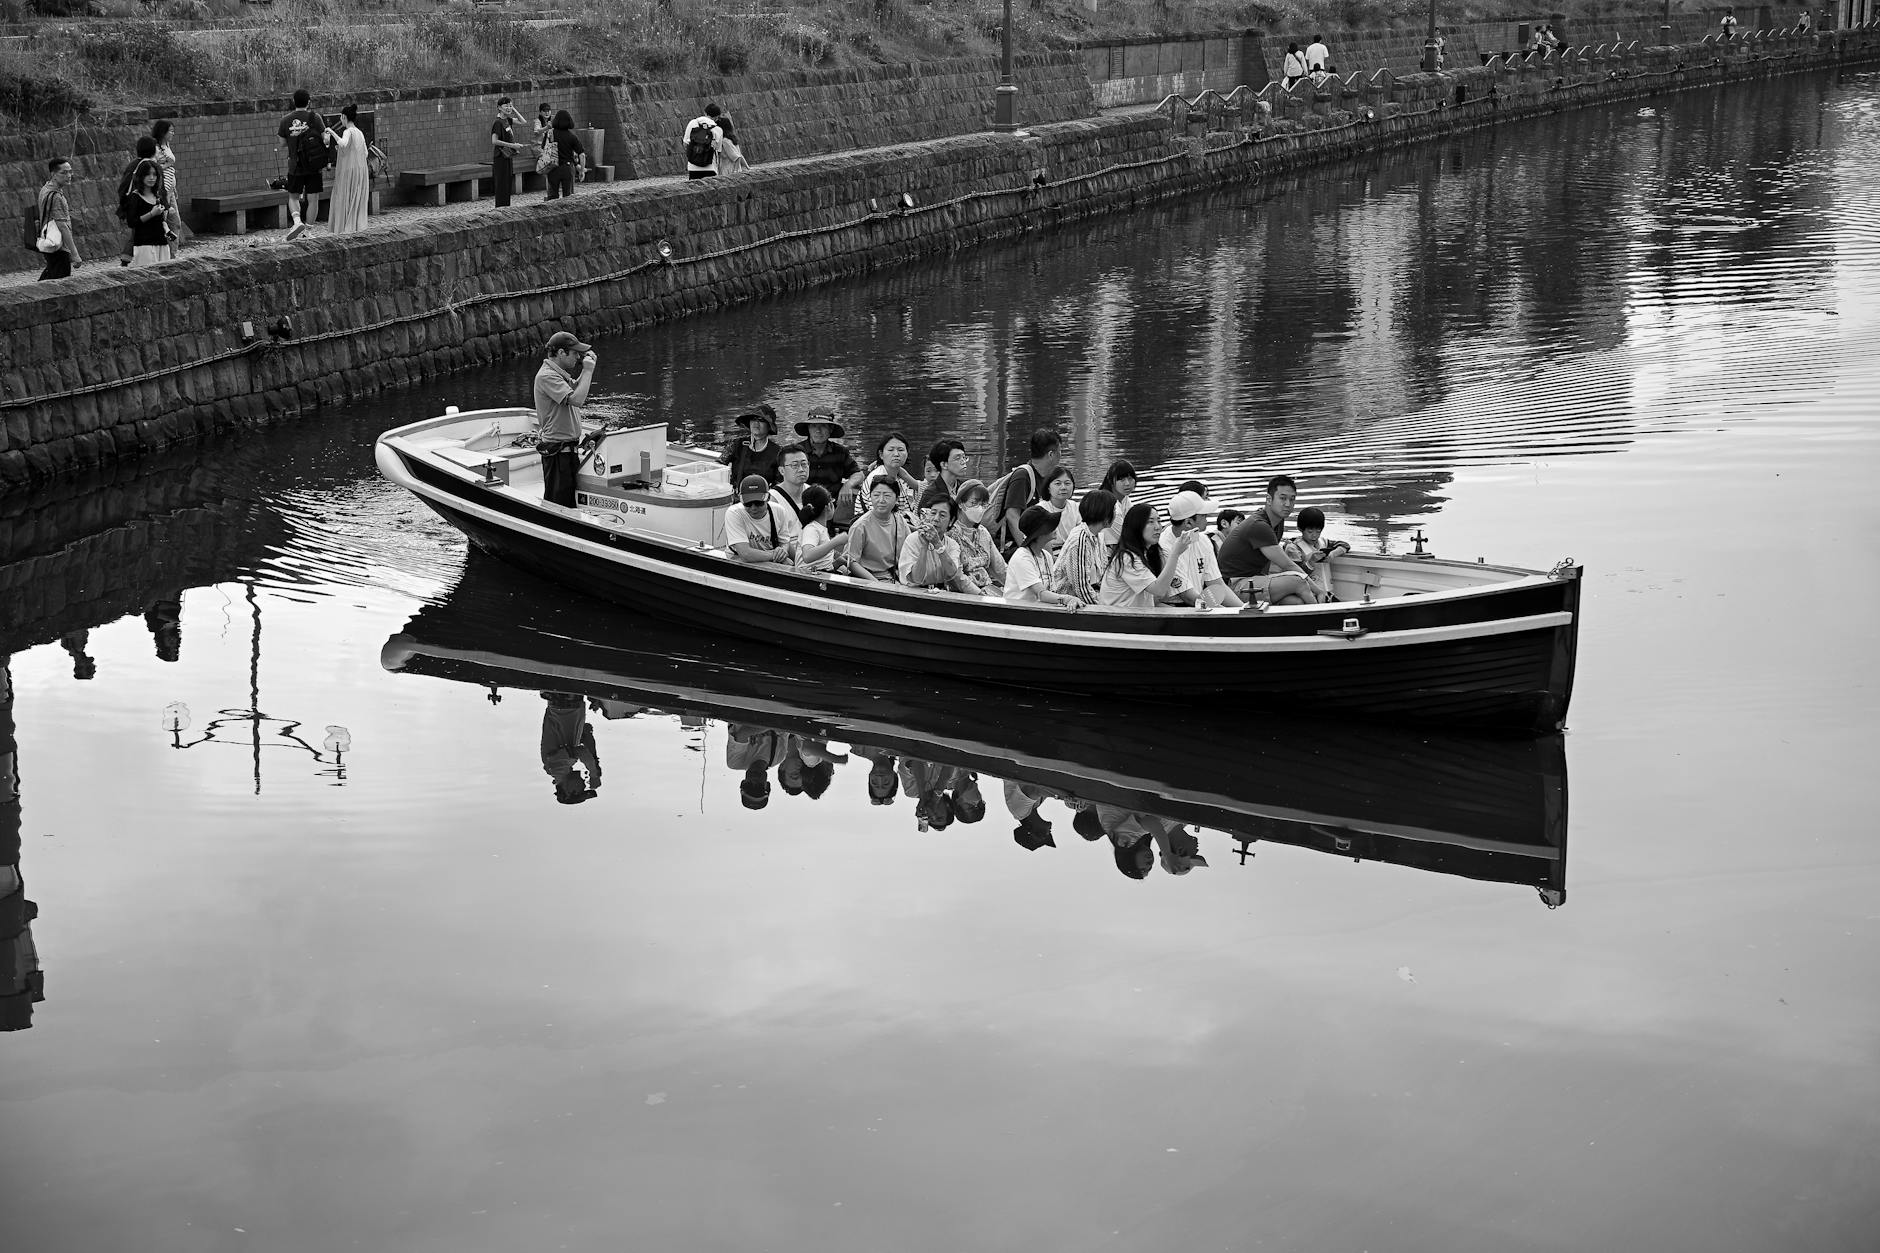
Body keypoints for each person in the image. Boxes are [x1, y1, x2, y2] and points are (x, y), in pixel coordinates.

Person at [1217, 475, 1318, 605]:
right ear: (1269, 499)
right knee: (1298, 581)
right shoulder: (1259, 525)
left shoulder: (1277, 522)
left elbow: (1267, 562)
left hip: (1253, 580)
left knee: (1295, 602)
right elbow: (1288, 565)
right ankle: (1324, 616)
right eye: (1282, 498)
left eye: (1292, 499)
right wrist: (1319, 591)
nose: (1288, 504)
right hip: (1232, 587)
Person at [532, 330, 597, 508]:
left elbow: (576, 388)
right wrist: (588, 370)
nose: (578, 356)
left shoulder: (558, 374)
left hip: (567, 451)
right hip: (557, 453)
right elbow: (577, 399)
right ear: (561, 353)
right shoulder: (547, 376)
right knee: (558, 505)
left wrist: (587, 369)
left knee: (569, 500)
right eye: (575, 353)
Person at [1099, 502, 1197, 610]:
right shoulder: (1127, 558)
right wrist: (1175, 554)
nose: (1157, 527)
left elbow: (1155, 601)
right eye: (1150, 522)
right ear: (1136, 526)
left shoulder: (1150, 554)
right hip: (1118, 620)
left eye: (1159, 521)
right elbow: (1159, 590)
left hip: (1139, 617)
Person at [1161, 490, 1245, 609]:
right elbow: (1188, 597)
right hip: (1176, 608)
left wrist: (1242, 609)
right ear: (1188, 522)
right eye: (1203, 516)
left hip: (1199, 604)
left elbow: (1217, 584)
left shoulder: (1203, 540)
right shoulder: (1164, 547)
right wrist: (1223, 611)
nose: (1207, 518)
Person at [994, 428, 1061, 552]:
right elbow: (1012, 516)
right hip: (1011, 547)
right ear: (1051, 454)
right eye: (1059, 451)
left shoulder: (1044, 479)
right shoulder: (1023, 477)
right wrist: (1029, 551)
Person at [277, 88, 332, 240]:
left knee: (293, 197)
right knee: (313, 198)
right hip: (314, 166)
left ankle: (296, 221)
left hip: (295, 165)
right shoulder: (315, 118)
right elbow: (325, 139)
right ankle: (307, 231)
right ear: (309, 102)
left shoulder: (285, 120)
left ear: (294, 102)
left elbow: (281, 143)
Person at [899, 493, 980, 593]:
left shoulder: (952, 545)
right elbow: (916, 579)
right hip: (913, 594)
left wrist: (937, 544)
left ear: (951, 521)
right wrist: (924, 547)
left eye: (942, 515)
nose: (936, 519)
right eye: (933, 513)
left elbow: (952, 574)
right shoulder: (912, 540)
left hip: (941, 594)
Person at [1005, 505, 1083, 607]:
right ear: (1040, 533)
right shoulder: (1022, 558)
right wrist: (1067, 599)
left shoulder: (1046, 556)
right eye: (1050, 526)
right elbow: (1041, 594)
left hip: (1040, 609)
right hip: (1018, 612)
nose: (1055, 528)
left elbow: (1051, 589)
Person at [1050, 488, 1117, 605]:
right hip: (1070, 601)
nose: (1116, 514)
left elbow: (1101, 576)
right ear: (1105, 515)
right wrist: (1105, 607)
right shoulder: (1080, 540)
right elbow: (1081, 589)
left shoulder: (1098, 536)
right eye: (1114, 510)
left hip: (1091, 594)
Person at [794, 409, 863, 513]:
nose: (818, 430)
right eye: (813, 426)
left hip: (833, 505)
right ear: (808, 429)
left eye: (823, 426)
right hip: (802, 505)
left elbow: (859, 474)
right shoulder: (796, 452)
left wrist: (848, 485)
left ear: (830, 429)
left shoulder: (840, 451)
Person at [540, 691, 601, 805]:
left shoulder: (557, 770)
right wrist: (595, 763)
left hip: (563, 702)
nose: (584, 782)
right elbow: (586, 732)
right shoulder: (566, 765)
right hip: (569, 704)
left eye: (581, 789)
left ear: (569, 791)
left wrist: (593, 774)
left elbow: (580, 751)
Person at [845, 479, 912, 581]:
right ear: (870, 497)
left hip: (897, 576)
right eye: (876, 495)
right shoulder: (860, 526)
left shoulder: (899, 520)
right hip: (871, 579)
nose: (881, 500)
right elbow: (852, 562)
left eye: (887, 496)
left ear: (897, 499)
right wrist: (876, 584)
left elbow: (909, 550)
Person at [727, 473, 800, 566]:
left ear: (768, 498)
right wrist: (774, 555)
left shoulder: (779, 511)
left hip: (769, 560)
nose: (753, 508)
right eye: (748, 504)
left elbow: (785, 543)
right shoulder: (734, 512)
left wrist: (782, 552)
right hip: (739, 561)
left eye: (758, 503)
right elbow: (745, 554)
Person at [950, 480, 1006, 596]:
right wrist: (979, 594)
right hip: (962, 594)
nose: (979, 508)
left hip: (988, 590)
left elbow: (1001, 569)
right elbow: (956, 576)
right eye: (974, 503)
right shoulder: (951, 533)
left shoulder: (983, 533)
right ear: (961, 503)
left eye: (983, 505)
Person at [1283, 506, 1349, 601]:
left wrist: (1333, 554)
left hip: (1328, 593)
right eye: (1310, 531)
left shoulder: (1323, 542)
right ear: (1300, 529)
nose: (1314, 535)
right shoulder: (1293, 548)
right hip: (1308, 596)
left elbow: (1345, 545)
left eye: (1318, 531)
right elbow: (1296, 576)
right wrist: (1311, 562)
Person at [114, 136, 159, 266]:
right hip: (143, 205)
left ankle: (126, 260)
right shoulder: (148, 166)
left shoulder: (133, 164)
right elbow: (157, 188)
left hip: (132, 204)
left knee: (138, 233)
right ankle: (129, 261)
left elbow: (123, 187)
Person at [327, 104, 370, 235]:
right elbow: (365, 153)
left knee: (345, 196)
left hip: (348, 172)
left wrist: (331, 131)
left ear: (344, 117)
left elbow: (343, 143)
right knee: (356, 198)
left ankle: (345, 226)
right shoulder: (359, 133)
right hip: (361, 172)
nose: (341, 119)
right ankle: (357, 225)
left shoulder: (348, 131)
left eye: (341, 117)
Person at [120, 159, 172, 267]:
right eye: (147, 174)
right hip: (144, 245)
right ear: (141, 176)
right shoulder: (135, 197)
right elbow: (132, 222)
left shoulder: (158, 196)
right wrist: (152, 214)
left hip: (162, 243)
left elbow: (161, 221)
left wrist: (167, 229)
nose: (151, 178)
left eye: (154, 174)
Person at [34, 158, 79, 281]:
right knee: (60, 284)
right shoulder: (56, 196)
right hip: (58, 246)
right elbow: (62, 226)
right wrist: (75, 254)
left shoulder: (46, 189)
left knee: (50, 276)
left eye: (70, 172)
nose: (69, 176)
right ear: (53, 174)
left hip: (48, 240)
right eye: (64, 173)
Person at [719, 407, 785, 486]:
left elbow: (780, 483)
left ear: (769, 426)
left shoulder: (778, 452)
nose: (756, 423)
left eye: (761, 420)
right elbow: (718, 465)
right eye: (753, 419)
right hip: (737, 495)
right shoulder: (736, 444)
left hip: (766, 496)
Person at [861, 431, 921, 513]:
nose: (896, 454)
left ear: (907, 453)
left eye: (900, 450)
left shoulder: (900, 476)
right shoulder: (877, 478)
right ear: (881, 454)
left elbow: (923, 490)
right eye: (890, 450)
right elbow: (879, 516)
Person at [150, 121, 187, 253]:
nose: (173, 133)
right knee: (162, 223)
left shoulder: (167, 145)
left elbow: (170, 167)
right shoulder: (155, 148)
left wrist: (174, 185)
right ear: (162, 132)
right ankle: (161, 255)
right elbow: (152, 168)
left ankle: (172, 255)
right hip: (162, 190)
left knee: (175, 222)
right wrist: (166, 164)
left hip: (171, 189)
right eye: (170, 131)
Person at [490, 97, 528, 208]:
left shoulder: (508, 120)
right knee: (502, 184)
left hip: (508, 156)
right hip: (500, 157)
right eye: (506, 105)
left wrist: (514, 109)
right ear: (499, 108)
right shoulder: (498, 122)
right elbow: (494, 141)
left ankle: (506, 207)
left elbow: (523, 121)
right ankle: (500, 208)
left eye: (510, 105)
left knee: (507, 183)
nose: (508, 107)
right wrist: (513, 145)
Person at [796, 485, 844, 572]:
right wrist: (836, 541)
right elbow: (807, 556)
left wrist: (838, 562)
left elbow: (822, 564)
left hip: (821, 574)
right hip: (810, 580)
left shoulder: (820, 528)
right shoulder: (811, 529)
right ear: (828, 506)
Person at [1094, 459, 1137, 544]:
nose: (1127, 483)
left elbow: (1132, 522)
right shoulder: (1111, 506)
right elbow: (1126, 536)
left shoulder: (1124, 498)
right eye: (1122, 480)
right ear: (1111, 482)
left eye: (1130, 478)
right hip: (1105, 550)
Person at [545, 109, 584, 200]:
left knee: (552, 196)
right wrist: (581, 171)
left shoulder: (550, 134)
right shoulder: (572, 136)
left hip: (552, 167)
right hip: (567, 167)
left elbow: (544, 148)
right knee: (568, 197)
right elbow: (581, 154)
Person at [682, 103, 724, 180]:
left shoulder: (693, 123)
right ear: (717, 117)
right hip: (710, 167)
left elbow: (685, 144)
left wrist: (693, 156)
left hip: (693, 167)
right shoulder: (718, 130)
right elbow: (718, 151)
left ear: (705, 113)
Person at [1039, 465, 1078, 544]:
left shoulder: (1076, 507)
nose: (1063, 487)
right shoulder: (1040, 510)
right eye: (1058, 484)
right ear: (1048, 488)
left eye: (1067, 483)